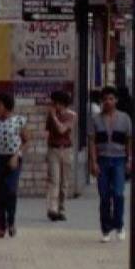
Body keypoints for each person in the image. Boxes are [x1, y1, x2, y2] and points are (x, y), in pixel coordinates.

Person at [88, 86, 133, 243]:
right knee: (105, 195)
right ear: (102, 101)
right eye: (105, 99)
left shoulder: (125, 119)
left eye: (111, 99)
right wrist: (93, 162)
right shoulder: (95, 120)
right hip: (102, 160)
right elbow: (92, 142)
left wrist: (129, 159)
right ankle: (106, 228)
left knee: (118, 193)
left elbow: (129, 140)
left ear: (116, 100)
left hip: (119, 159)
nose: (108, 102)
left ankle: (119, 225)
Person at [0, 93, 30, 238]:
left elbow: (27, 141)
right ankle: (1, 226)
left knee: (11, 190)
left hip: (13, 159)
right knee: (0, 193)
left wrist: (16, 155)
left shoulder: (18, 121)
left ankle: (11, 222)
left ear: (6, 106)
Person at [45, 90, 77, 222]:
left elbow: (62, 130)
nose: (53, 105)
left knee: (64, 182)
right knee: (54, 180)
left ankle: (61, 208)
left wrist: (54, 117)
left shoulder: (72, 115)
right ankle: (52, 209)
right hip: (53, 149)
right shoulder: (50, 116)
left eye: (55, 103)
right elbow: (48, 131)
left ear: (62, 103)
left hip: (66, 150)